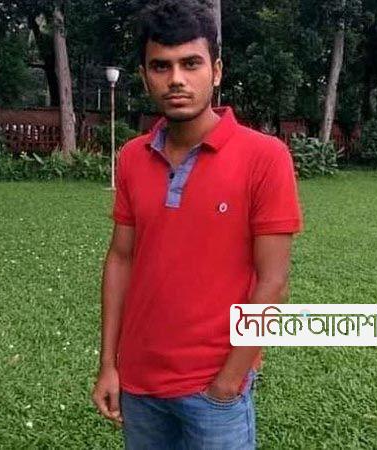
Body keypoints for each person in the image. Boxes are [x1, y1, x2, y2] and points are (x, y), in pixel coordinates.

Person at [91, 1, 303, 448]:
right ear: (144, 76)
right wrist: (109, 364)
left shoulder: (264, 157)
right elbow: (120, 259)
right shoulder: (132, 157)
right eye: (161, 66)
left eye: (191, 63)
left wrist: (228, 382)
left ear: (216, 71)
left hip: (214, 388)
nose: (176, 79)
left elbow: (274, 281)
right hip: (139, 384)